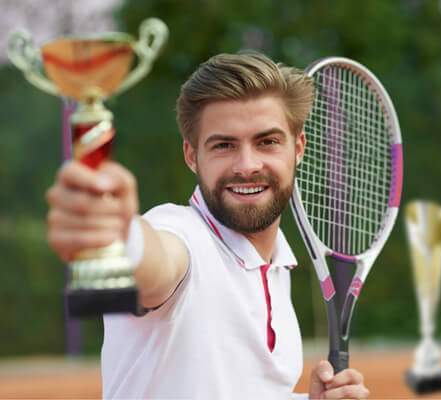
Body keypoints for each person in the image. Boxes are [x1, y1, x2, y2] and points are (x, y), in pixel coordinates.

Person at [46, 52, 370, 399]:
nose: (247, 165)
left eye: (267, 142)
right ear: (191, 155)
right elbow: (156, 263)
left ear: (298, 148)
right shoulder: (182, 235)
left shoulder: (275, 268)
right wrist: (121, 235)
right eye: (224, 145)